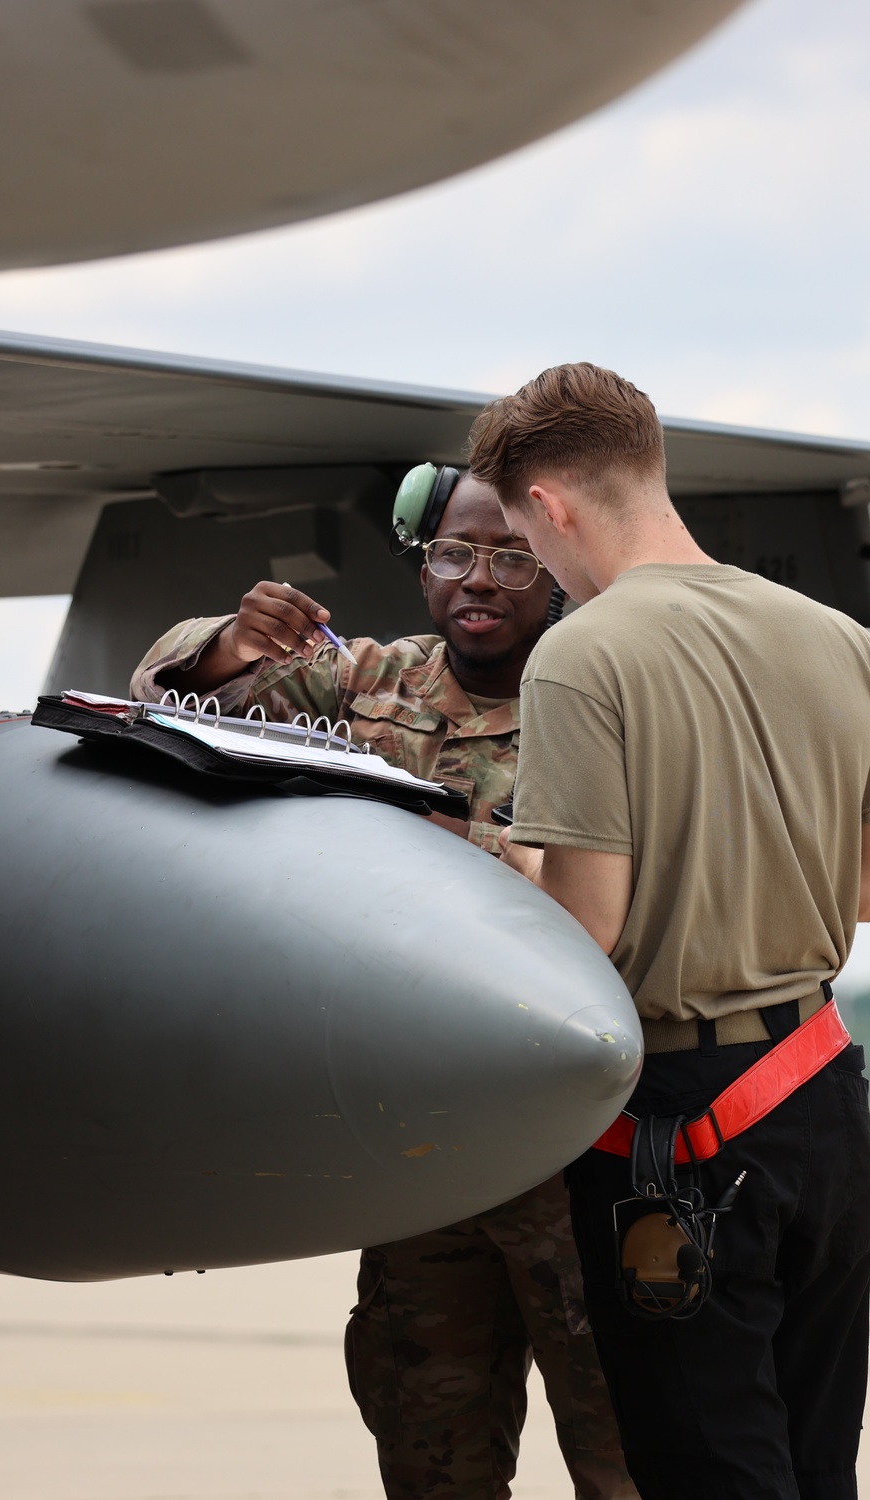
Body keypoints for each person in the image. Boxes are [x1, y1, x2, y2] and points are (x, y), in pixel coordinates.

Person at [130, 470, 638, 1500]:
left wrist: (456, 847)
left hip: (579, 1162)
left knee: (622, 1450)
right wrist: (235, 641)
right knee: (427, 1446)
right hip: (422, 1154)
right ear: (422, 556)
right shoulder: (371, 680)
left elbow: (628, 886)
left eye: (511, 558)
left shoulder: (604, 705)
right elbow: (162, 694)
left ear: (559, 569)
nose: (477, 582)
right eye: (454, 555)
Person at [468, 361, 870, 1500]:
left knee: (710, 1472)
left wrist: (497, 853)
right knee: (814, 1463)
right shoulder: (836, 635)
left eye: (520, 536)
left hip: (683, 1128)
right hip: (824, 1103)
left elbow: (584, 931)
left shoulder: (586, 653)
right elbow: (863, 888)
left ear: (549, 504)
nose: (534, 566)